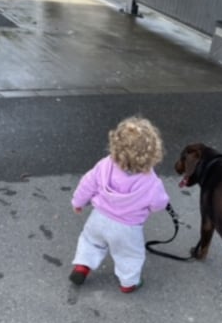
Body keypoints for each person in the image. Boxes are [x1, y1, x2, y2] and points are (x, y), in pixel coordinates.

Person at [69, 116, 170, 293]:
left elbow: (87, 183)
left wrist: (78, 202)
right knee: (129, 255)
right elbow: (159, 204)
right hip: (128, 228)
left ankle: (82, 266)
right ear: (153, 152)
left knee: (90, 242)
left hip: (98, 218)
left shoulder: (104, 165)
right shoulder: (151, 182)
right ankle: (128, 282)